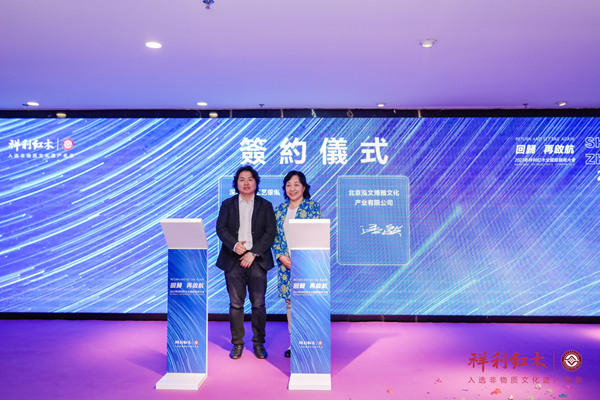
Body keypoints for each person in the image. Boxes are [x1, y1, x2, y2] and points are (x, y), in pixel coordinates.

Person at [216, 165, 277, 360]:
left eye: (250, 179)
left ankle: (259, 343)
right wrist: (235, 245)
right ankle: (237, 344)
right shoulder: (227, 204)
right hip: (233, 260)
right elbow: (221, 228)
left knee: (258, 304)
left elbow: (270, 232)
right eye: (242, 179)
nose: (246, 183)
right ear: (236, 183)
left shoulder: (265, 205)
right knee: (236, 304)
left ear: (256, 183)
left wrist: (254, 253)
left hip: (257, 261)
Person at [272, 171, 322, 358]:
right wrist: (281, 256)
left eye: (296, 184)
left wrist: (302, 259)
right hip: (286, 264)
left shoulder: (313, 207)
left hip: (307, 264)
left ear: (304, 187)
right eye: (288, 185)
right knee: (290, 303)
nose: (292, 188)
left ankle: (309, 341)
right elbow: (274, 237)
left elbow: (316, 234)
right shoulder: (279, 210)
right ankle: (294, 343)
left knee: (307, 303)